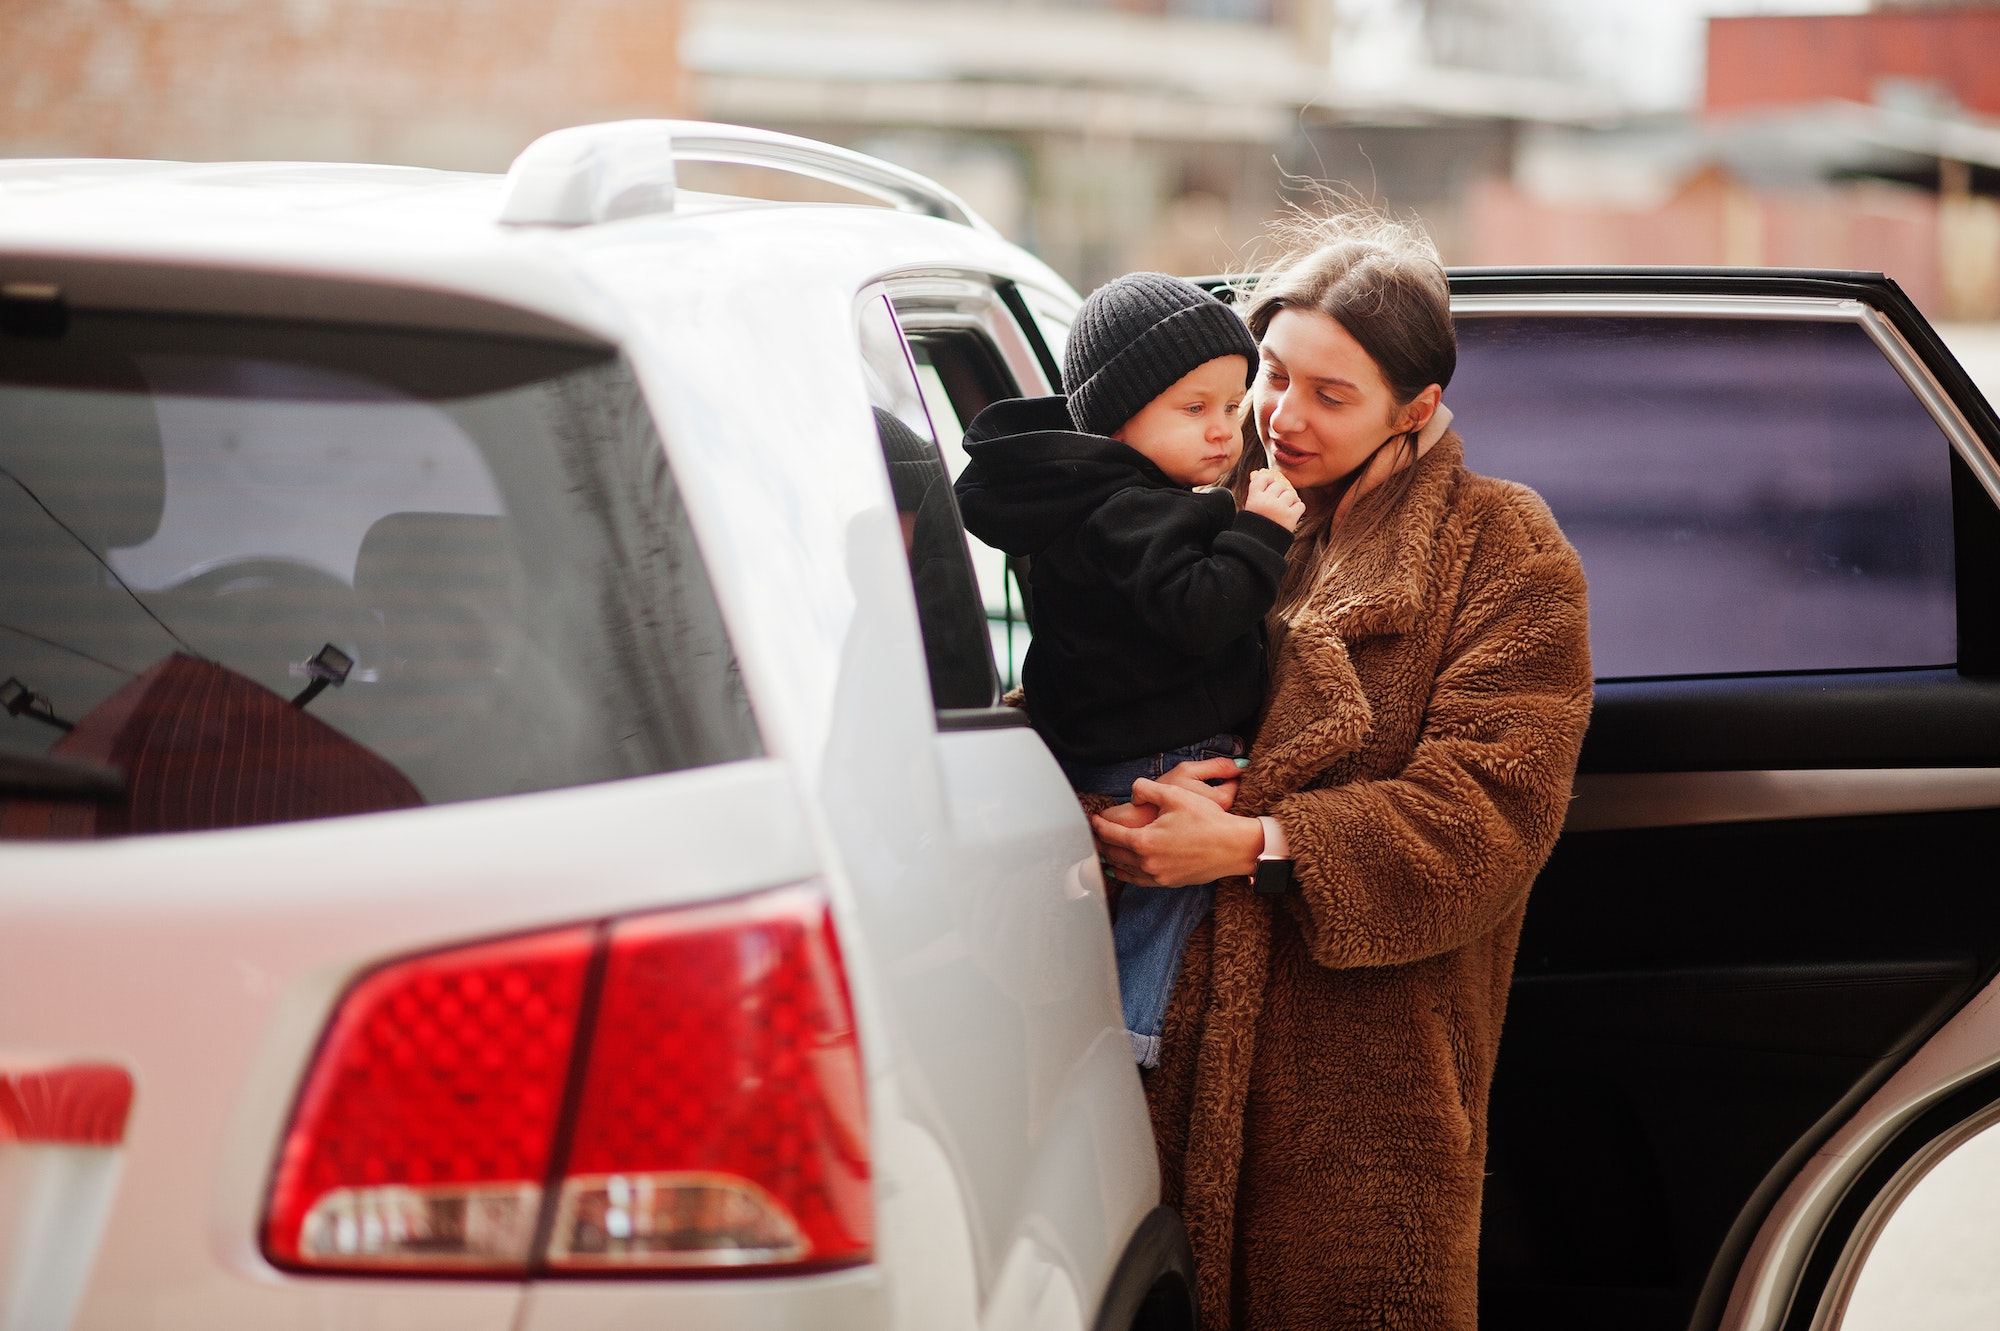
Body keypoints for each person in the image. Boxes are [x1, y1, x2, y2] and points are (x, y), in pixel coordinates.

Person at [1089, 213, 1593, 1330]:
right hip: (1154, 1059)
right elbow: (1083, 695)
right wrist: (1103, 810)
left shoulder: (1502, 547)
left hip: (1363, 1099)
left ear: (1413, 408)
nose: (1280, 416)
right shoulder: (1194, 512)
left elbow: (1489, 813)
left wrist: (1258, 843)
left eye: (1332, 393)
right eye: (1271, 373)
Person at [953, 272, 1306, 1068]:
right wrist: (1259, 532)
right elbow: (1203, 610)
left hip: (1113, 743)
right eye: (1194, 408)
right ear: (1117, 416)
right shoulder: (1135, 511)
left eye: (1231, 403)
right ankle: (1138, 1033)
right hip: (1164, 751)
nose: (1224, 431)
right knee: (1167, 898)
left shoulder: (1091, 505)